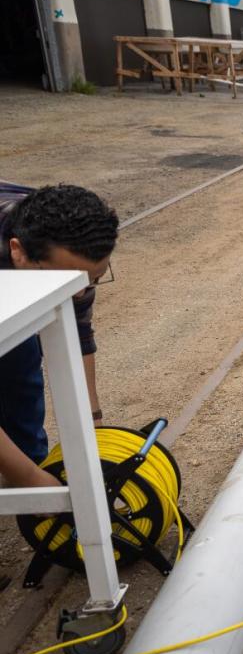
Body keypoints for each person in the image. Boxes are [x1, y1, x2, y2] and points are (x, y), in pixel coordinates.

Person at [0, 183, 117, 488]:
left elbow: (77, 335)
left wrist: (94, 427)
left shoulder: (63, 243)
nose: (80, 293)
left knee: (21, 351)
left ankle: (31, 459)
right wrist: (28, 478)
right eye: (68, 281)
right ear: (18, 252)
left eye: (92, 280)